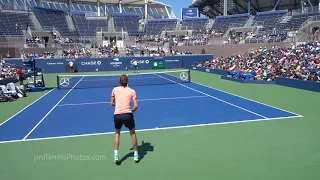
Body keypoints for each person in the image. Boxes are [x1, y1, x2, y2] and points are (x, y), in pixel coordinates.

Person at [111, 74, 139, 163]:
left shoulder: (114, 90)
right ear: (127, 81)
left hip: (117, 115)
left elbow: (112, 103)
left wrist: (119, 104)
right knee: (133, 133)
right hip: (128, 115)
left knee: (117, 133)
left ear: (120, 81)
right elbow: (136, 105)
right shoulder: (132, 91)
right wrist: (131, 111)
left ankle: (116, 155)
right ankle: (136, 154)